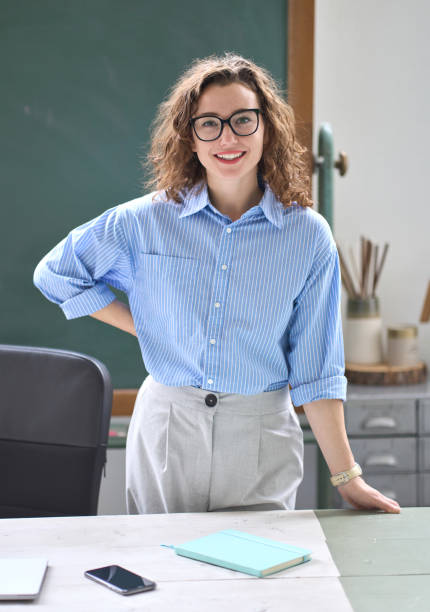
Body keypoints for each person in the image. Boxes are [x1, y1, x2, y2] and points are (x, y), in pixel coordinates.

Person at [34, 52, 400, 515]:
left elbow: (317, 371)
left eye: (242, 120)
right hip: (169, 428)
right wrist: (147, 326)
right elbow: (55, 273)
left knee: (256, 577)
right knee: (163, 576)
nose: (227, 137)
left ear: (267, 127)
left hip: (260, 433)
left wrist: (349, 479)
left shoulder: (307, 235)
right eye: (209, 123)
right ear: (189, 136)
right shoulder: (144, 221)